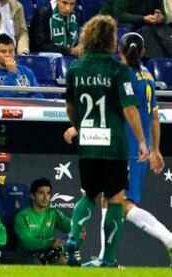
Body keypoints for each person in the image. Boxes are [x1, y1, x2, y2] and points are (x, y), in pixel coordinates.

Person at [70, 32, 172, 267]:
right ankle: (107, 259)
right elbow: (155, 117)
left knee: (121, 204)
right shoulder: (148, 76)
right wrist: (155, 149)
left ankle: (167, 240)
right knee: (111, 201)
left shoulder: (120, 75)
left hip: (122, 147)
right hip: (140, 148)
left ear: (119, 51)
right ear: (143, 52)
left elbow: (107, 110)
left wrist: (77, 129)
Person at [63, 15, 149, 267]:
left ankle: (73, 236)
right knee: (115, 198)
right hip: (113, 143)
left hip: (89, 139)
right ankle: (109, 259)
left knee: (88, 194)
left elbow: (70, 107)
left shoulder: (75, 68)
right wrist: (142, 141)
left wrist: (79, 126)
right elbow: (130, 109)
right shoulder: (119, 70)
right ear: (112, 41)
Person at [14, 178, 71, 265]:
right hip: (27, 256)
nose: (45, 197)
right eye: (41, 193)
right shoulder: (22, 216)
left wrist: (79, 228)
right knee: (38, 262)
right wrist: (50, 243)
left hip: (47, 252)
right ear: (32, 196)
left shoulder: (53, 213)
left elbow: (69, 226)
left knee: (63, 259)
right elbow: (26, 242)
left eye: (48, 193)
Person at [100, 0, 172, 58]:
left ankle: (160, 63)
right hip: (113, 23)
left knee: (160, 29)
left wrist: (160, 18)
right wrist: (143, 19)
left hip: (144, 23)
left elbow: (162, 14)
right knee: (132, 28)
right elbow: (120, 15)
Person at [0, 33, 44, 98]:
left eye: (11, 51)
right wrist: (11, 73)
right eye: (3, 52)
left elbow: (38, 96)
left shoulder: (26, 71)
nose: (8, 55)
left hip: (26, 107)